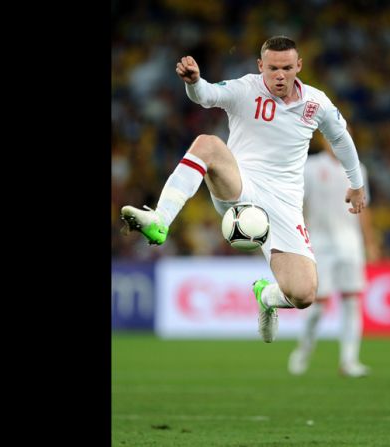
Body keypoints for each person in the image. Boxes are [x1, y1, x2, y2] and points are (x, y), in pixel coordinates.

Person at [120, 36, 366, 343]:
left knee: (304, 294)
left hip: (284, 205)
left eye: (287, 68)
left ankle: (266, 296)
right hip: (241, 185)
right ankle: (160, 220)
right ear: (261, 65)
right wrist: (194, 83)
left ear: (298, 66)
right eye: (273, 68)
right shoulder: (246, 88)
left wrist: (356, 184)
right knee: (208, 144)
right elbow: (206, 95)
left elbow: (341, 139)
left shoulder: (316, 103)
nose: (280, 75)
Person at [288, 140, 378, 377]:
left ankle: (349, 361)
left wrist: (369, 242)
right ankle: (304, 350)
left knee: (351, 301)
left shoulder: (358, 169)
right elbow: (298, 203)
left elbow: (363, 206)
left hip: (350, 244)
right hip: (319, 243)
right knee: (318, 305)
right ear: (325, 140)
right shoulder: (311, 166)